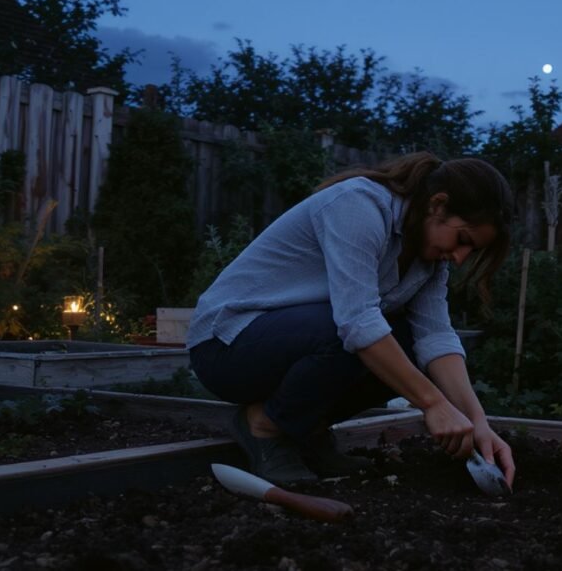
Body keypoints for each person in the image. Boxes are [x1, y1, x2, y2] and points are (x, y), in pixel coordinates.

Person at [186, 152, 516, 489]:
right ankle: (264, 426)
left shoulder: (428, 260)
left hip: (295, 340)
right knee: (356, 333)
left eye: (471, 251)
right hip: (226, 346)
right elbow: (357, 321)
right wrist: (433, 403)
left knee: (406, 345)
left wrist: (478, 421)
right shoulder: (359, 206)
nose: (460, 257)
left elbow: (436, 338)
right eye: (463, 240)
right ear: (439, 204)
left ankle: (305, 431)